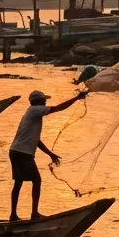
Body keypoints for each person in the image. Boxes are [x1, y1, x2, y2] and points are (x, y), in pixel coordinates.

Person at [9, 88, 87, 221]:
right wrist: (76, 98)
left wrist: (50, 154)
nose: (45, 102)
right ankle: (34, 214)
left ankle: (13, 215)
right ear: (38, 102)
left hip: (15, 151)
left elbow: (36, 141)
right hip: (22, 153)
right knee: (36, 180)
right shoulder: (35, 110)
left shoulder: (31, 114)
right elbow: (58, 108)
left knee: (18, 183)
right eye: (44, 100)